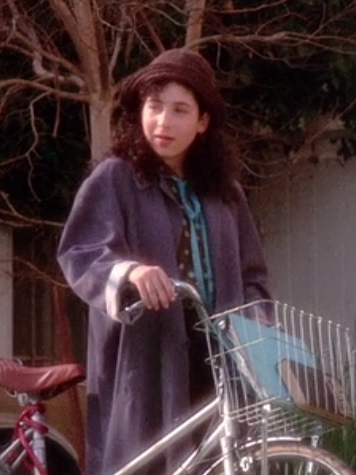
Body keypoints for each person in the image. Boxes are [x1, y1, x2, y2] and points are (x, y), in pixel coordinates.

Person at [57, 48, 271, 475]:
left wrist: (257, 323)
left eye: (179, 110)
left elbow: (253, 276)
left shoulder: (225, 194)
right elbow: (81, 252)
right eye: (154, 107)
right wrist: (130, 271)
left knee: (220, 460)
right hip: (147, 357)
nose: (163, 122)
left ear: (203, 121)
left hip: (218, 355)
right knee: (145, 461)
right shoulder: (116, 178)